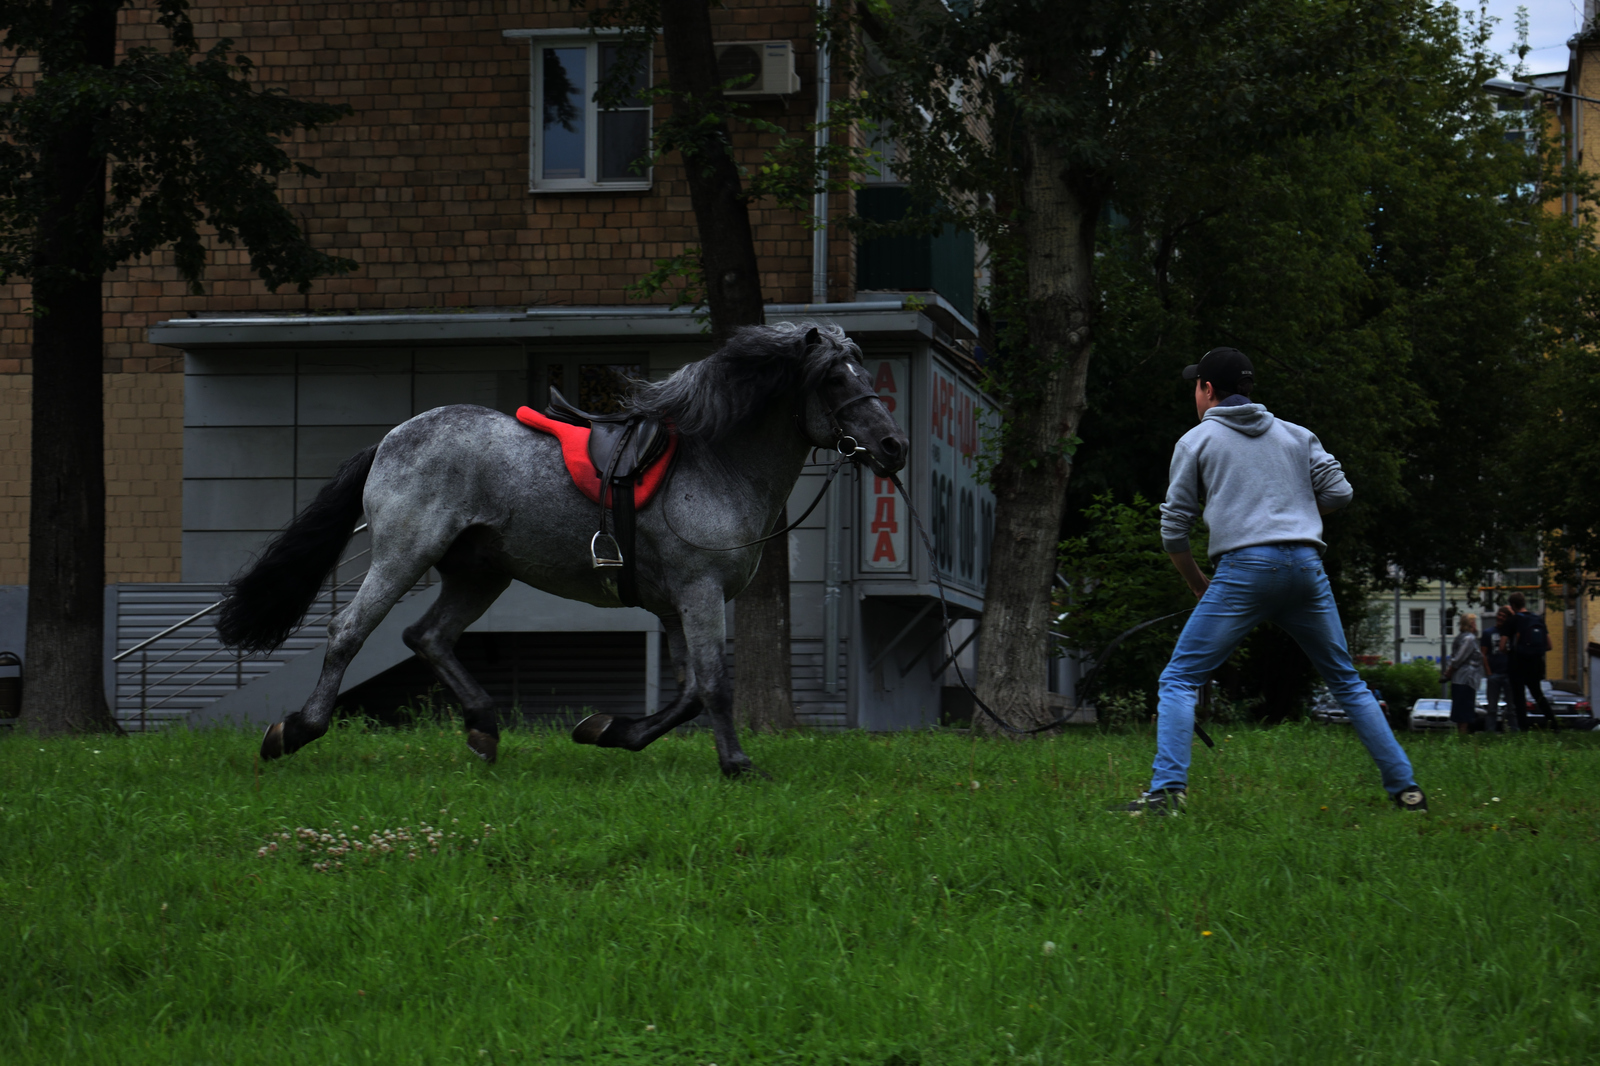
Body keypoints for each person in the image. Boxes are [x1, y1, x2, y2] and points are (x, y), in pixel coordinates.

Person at [1115, 347, 1426, 815]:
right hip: (1306, 568)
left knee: (1179, 679)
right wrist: (1298, 513)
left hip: (1244, 571)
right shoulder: (1296, 435)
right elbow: (1340, 492)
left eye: (1195, 387)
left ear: (1206, 389)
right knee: (1348, 684)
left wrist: (1199, 583)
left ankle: (1166, 795)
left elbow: (1174, 529)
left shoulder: (1196, 442)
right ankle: (1407, 792)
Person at [1504, 591, 1558, 730]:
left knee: (1519, 698)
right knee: (1538, 694)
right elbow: (1549, 645)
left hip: (1517, 664)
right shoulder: (1537, 619)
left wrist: (1513, 652)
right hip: (1535, 664)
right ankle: (1554, 725)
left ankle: (1524, 729)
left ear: (1513, 605)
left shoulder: (1512, 621)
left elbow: (1502, 645)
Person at [1441, 611, 1485, 736]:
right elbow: (1459, 658)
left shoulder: (1460, 637)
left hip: (1459, 678)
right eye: (1474, 622)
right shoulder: (1469, 639)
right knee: (1465, 707)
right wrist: (1449, 672)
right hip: (1466, 678)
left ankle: (1461, 733)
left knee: (1460, 706)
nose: (1476, 625)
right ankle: (1462, 734)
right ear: (1470, 624)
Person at [1484, 606, 1517, 734]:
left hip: (1509, 674)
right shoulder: (1488, 633)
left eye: (1504, 616)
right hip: (1494, 674)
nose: (1500, 618)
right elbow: (1484, 654)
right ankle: (1490, 732)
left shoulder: (1512, 633)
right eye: (1499, 615)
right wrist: (1488, 672)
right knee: (1492, 707)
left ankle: (1514, 731)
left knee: (1511, 707)